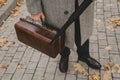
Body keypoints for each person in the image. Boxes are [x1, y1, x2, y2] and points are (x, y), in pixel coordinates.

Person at [26, 0, 101, 73]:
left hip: (82, 2)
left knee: (82, 30)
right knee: (60, 34)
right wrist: (34, 9)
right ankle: (64, 55)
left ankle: (84, 55)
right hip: (54, 6)